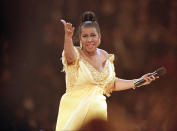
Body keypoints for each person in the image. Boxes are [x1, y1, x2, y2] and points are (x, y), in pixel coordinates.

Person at [55, 11, 157, 131]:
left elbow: (111, 83)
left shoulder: (105, 55)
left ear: (99, 36)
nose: (89, 40)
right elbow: (70, 57)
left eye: (93, 35)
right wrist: (67, 38)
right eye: (85, 36)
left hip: (98, 114)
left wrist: (138, 81)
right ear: (80, 39)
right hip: (75, 113)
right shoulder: (75, 53)